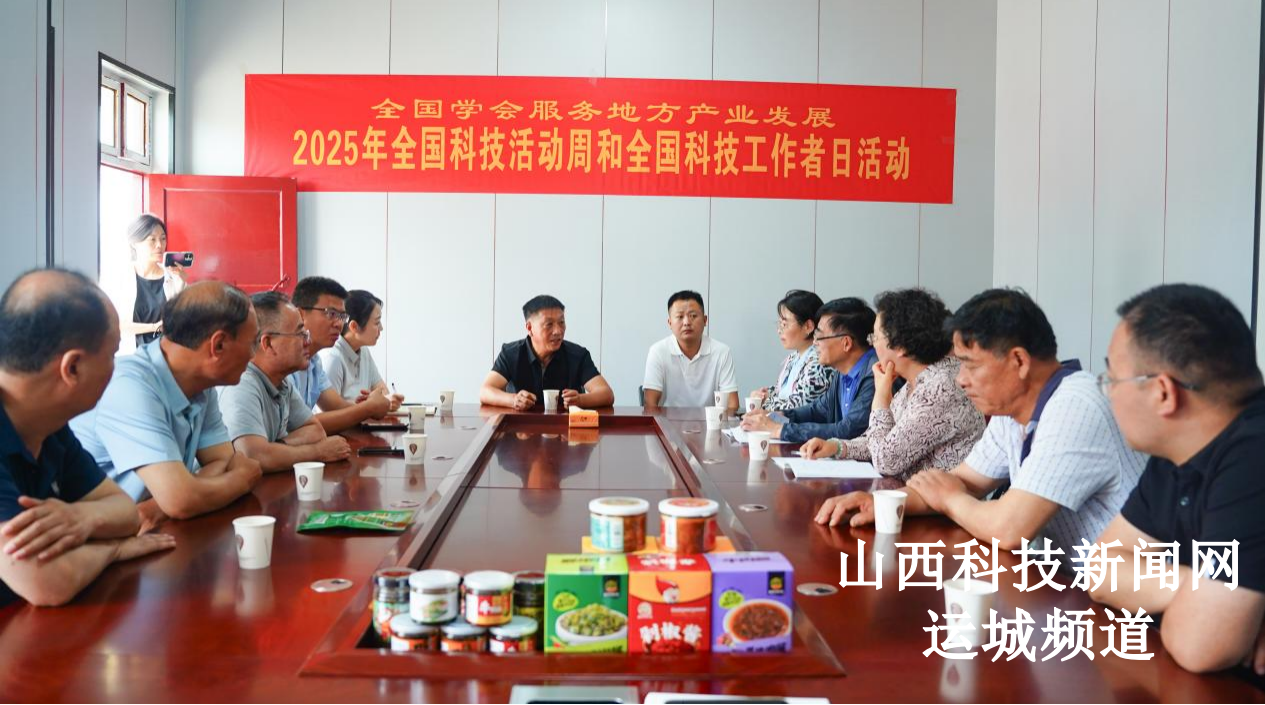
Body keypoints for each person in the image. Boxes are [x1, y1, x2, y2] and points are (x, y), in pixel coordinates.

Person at [814, 289, 1145, 567]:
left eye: (970, 365)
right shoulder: (1010, 410)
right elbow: (964, 481)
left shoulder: (1074, 406)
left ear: (1018, 361)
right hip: (1062, 584)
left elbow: (1009, 528)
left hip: (1122, 603)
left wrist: (951, 500)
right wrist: (883, 502)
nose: (960, 379)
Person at [1091, 284, 1265, 675]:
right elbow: (1101, 569)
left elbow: (1198, 646)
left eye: (1112, 381)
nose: (1108, 395)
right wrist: (1199, 591)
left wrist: (1208, 608)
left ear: (1163, 393)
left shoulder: (1253, 457)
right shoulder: (1178, 451)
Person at [0, 269, 174, 607]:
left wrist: (83, 518)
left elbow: (126, 513)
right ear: (73, 368)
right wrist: (114, 549)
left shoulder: (48, 425)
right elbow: (47, 582)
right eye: (111, 355)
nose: (115, 368)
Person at [70, 281, 263, 528]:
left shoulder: (202, 384)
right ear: (219, 345)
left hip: (150, 529)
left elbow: (224, 463)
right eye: (253, 342)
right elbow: (182, 501)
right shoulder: (130, 385)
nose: (254, 354)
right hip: (94, 538)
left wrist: (164, 504)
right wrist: (243, 479)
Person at [801, 288, 984, 480]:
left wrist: (880, 399)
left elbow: (885, 460)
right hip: (909, 492)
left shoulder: (940, 388)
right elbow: (882, 441)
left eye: (875, 338)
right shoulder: (918, 380)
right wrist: (837, 447)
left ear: (900, 346)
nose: (873, 345)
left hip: (937, 499)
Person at [218, 292, 351, 473]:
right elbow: (253, 456)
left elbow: (315, 430)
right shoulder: (241, 384)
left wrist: (275, 447)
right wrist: (317, 452)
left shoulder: (283, 382)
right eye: (300, 334)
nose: (308, 341)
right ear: (268, 343)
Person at [741, 297, 877, 443]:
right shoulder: (842, 372)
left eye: (820, 336)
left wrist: (779, 430)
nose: (814, 342)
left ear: (846, 343)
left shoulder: (874, 374)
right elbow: (818, 410)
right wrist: (776, 416)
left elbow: (848, 430)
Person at [288, 276, 395, 433]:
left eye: (342, 316)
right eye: (331, 314)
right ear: (301, 314)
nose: (339, 324)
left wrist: (370, 406)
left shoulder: (314, 361)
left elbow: (337, 407)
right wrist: (368, 408)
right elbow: (302, 424)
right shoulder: (287, 362)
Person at [480, 295, 615, 410]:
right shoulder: (511, 353)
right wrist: (514, 400)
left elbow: (606, 394)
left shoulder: (578, 355)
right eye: (549, 324)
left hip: (566, 428)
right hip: (520, 427)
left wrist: (580, 400)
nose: (558, 331)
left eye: (561, 322)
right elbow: (485, 391)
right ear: (530, 328)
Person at [643, 290, 739, 412]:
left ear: (705, 320)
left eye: (693, 316)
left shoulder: (721, 352)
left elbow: (732, 404)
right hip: (667, 422)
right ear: (670, 323)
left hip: (710, 422)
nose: (687, 322)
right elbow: (650, 404)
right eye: (680, 317)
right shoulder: (658, 351)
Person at [104, 214, 188, 354]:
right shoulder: (120, 277)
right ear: (134, 244)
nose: (159, 245)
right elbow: (115, 324)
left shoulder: (173, 277)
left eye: (163, 239)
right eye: (152, 239)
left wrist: (181, 285)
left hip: (167, 355)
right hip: (131, 355)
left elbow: (184, 321)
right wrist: (155, 327)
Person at [751, 289, 834, 411]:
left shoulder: (820, 361)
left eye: (784, 324)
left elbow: (798, 406)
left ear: (808, 326)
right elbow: (784, 392)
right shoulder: (795, 357)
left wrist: (762, 402)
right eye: (779, 324)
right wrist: (765, 393)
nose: (779, 330)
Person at [319, 289, 402, 405]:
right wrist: (368, 406)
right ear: (354, 326)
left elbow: (383, 392)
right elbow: (329, 412)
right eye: (377, 323)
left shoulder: (363, 351)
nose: (381, 328)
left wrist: (385, 401)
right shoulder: (332, 358)